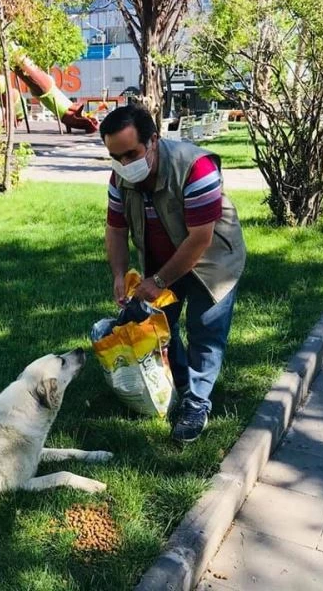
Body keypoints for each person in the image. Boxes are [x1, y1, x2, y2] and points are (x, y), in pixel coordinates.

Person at [101, 104, 246, 443]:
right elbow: (116, 229)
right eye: (115, 157)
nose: (124, 164)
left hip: (213, 260)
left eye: (131, 154)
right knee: (158, 325)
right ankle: (181, 385)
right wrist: (119, 274)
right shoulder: (119, 178)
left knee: (205, 329)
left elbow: (200, 239)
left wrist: (159, 282)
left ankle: (197, 404)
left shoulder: (196, 168)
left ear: (153, 140)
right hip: (162, 259)